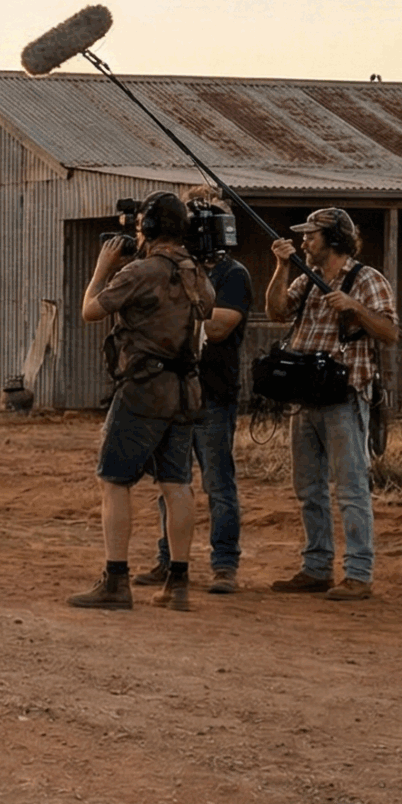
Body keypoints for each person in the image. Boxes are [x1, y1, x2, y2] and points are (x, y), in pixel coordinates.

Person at [69, 192, 215, 611]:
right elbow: (208, 309)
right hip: (186, 390)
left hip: (144, 387)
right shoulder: (196, 273)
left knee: (114, 481)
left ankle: (116, 579)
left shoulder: (141, 272)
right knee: (176, 484)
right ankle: (179, 582)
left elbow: (91, 311)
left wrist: (101, 269)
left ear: (148, 228)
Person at [263, 207, 398, 601]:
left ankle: (359, 573)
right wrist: (281, 268)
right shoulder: (307, 280)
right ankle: (316, 567)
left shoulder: (367, 279)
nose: (304, 242)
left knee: (351, 488)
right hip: (304, 398)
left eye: (311, 236)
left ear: (334, 238)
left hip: (344, 396)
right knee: (309, 488)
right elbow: (275, 312)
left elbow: (389, 332)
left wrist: (356, 309)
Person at [137, 187, 252, 594]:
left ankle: (225, 565)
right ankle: (168, 560)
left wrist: (172, 317)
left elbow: (218, 327)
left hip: (213, 393)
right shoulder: (174, 268)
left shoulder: (232, 274)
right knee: (171, 482)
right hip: (175, 393)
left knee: (218, 483)